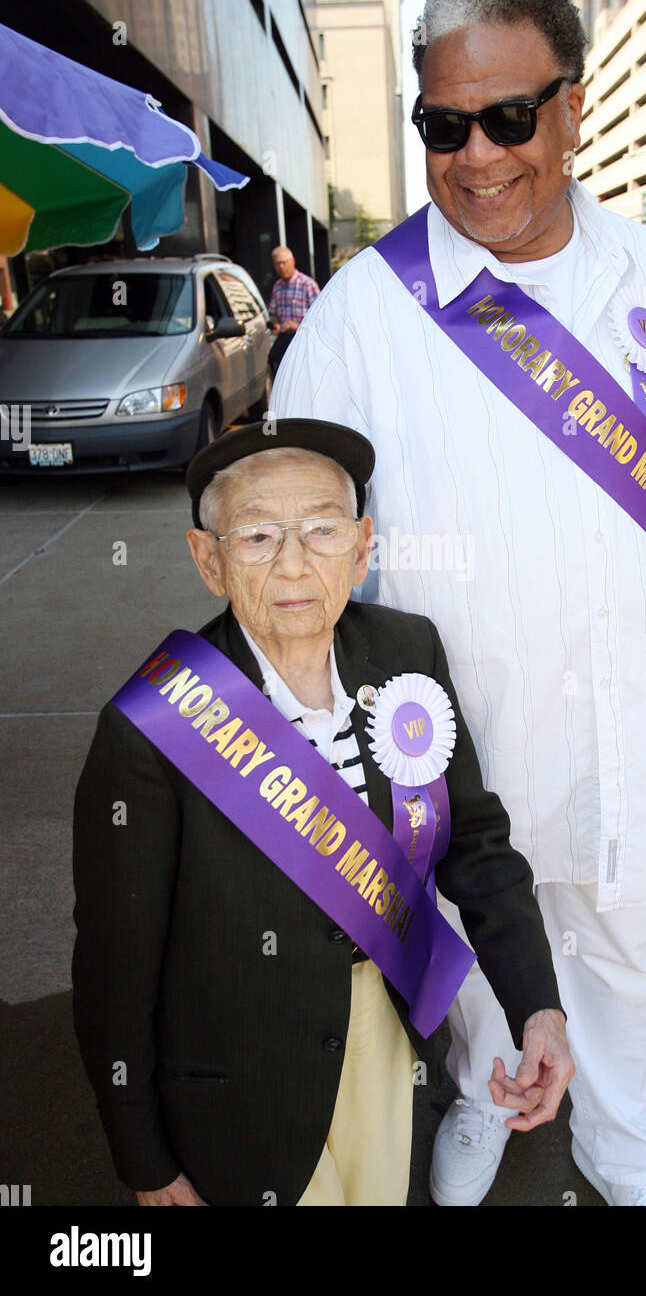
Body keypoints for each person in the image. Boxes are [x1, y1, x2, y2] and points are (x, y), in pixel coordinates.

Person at [270, 0, 646, 1207]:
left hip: (635, 719)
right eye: (441, 126)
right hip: (466, 750)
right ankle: (481, 1100)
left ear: (571, 109)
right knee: (475, 963)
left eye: (508, 119)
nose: (475, 157)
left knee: (633, 958)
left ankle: (626, 1150)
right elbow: (294, 557)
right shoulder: (358, 321)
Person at [71, 419, 571, 1207]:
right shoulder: (152, 724)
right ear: (209, 559)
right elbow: (114, 964)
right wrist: (143, 1156)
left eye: (322, 530)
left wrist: (537, 1008)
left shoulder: (408, 652)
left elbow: (477, 845)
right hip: (235, 1077)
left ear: (363, 544)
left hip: (384, 1027)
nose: (296, 563)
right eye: (259, 537)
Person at [266, 246, 320, 378]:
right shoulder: (277, 286)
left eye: (284, 262)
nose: (281, 267)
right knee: (275, 364)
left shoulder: (307, 285)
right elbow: (274, 315)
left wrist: (293, 325)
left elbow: (320, 319)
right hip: (284, 342)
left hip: (303, 343)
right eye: (278, 263)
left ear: (293, 261)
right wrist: (276, 325)